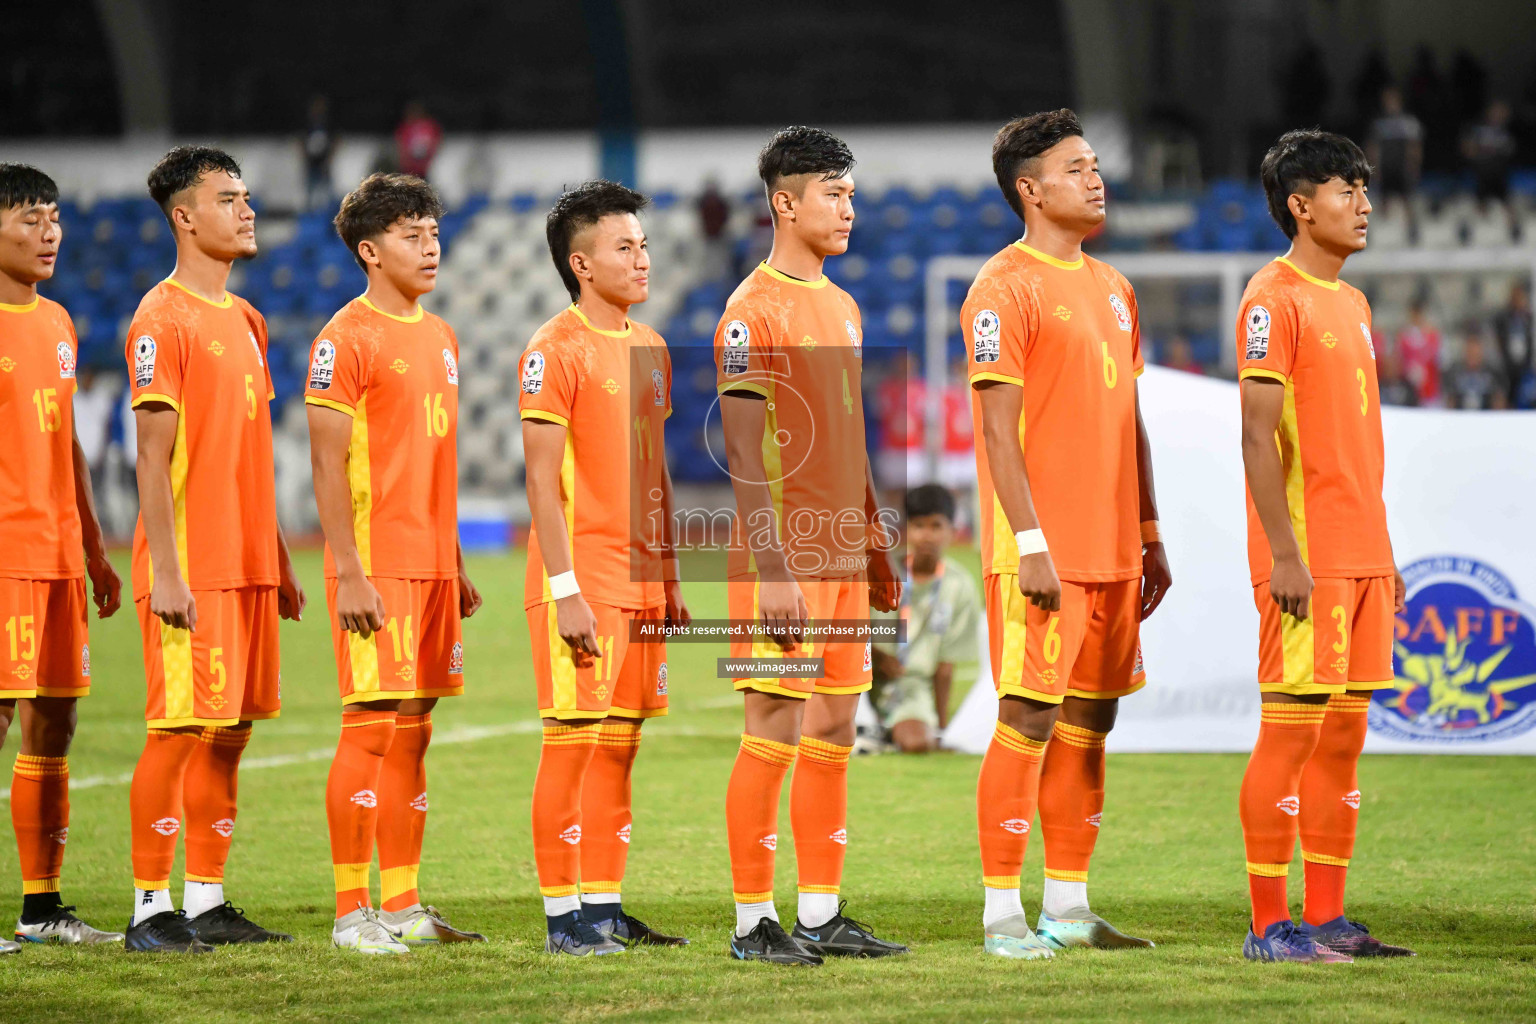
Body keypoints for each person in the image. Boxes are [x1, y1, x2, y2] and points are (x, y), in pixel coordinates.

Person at [964, 109, 1171, 961]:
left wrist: (1150, 529)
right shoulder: (1001, 289)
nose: (1095, 178)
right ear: (1031, 189)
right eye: (1076, 167)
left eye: (1096, 165)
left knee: (1092, 721)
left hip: (1115, 544)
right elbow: (996, 433)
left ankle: (1073, 907)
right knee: (1028, 716)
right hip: (1041, 548)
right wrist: (1031, 540)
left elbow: (1131, 419)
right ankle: (1000, 914)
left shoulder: (1116, 289)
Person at [715, 126, 907, 966]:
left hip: (841, 555)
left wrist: (873, 539)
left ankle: (820, 914)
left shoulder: (842, 304)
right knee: (772, 729)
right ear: (783, 203)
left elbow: (851, 440)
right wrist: (773, 572)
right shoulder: (748, 312)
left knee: (834, 728)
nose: (848, 208)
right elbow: (743, 457)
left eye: (852, 193)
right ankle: (751, 923)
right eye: (833, 193)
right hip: (783, 561)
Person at [1236, 128, 1415, 963]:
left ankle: (1329, 917)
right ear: (1302, 207)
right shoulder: (1273, 298)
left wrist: (1382, 552)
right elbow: (1257, 438)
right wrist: (1283, 554)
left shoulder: (1352, 301)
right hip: (1305, 556)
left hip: (1362, 550)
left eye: (1365, 188)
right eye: (1347, 189)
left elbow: (1354, 443)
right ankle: (1269, 926)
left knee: (1344, 736)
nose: (1365, 203)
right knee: (1292, 731)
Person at [123, 146, 305, 953]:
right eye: (228, 198)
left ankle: (205, 898)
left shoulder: (248, 319)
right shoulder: (161, 318)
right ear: (184, 216)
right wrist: (165, 570)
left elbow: (248, 448)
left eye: (246, 196)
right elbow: (152, 460)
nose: (247, 209)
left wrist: (278, 556)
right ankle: (147, 910)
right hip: (190, 567)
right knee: (176, 729)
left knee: (229, 732)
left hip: (248, 564)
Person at [305, 173, 486, 954]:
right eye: (413, 235)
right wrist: (347, 568)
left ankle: (406, 903)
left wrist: (453, 560)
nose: (431, 245)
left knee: (413, 732)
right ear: (371, 251)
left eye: (434, 232)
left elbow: (431, 461)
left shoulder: (441, 335)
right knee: (371, 726)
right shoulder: (343, 338)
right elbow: (324, 463)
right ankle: (352, 914)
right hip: (376, 564)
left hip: (432, 564)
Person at [520, 180, 690, 957]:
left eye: (644, 244)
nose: (642, 257)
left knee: (621, 744)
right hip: (583, 580)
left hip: (641, 580)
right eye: (625, 247)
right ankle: (564, 922)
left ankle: (604, 907)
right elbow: (541, 481)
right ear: (582, 264)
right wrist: (565, 592)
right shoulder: (553, 349)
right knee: (573, 741)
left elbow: (653, 472)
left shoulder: (650, 348)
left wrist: (671, 578)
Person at [0, 164, 123, 950]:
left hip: (56, 552)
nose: (50, 234)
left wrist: (94, 542)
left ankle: (41, 909)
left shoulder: (59, 323)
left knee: (55, 722)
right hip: (4, 553)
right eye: (30, 220)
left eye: (53, 219)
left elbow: (65, 441)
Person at [869, 485, 979, 753]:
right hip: (862, 672)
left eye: (936, 526)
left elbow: (945, 666)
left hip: (910, 686)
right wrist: (876, 655)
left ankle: (880, 734)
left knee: (918, 741)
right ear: (906, 530)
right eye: (918, 525)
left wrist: (941, 730)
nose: (927, 536)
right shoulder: (882, 572)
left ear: (953, 532)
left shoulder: (960, 586)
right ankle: (869, 729)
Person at [1366, 87, 1422, 216]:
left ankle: (1410, 230)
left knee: (1406, 199)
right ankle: (1385, 227)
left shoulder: (1408, 121)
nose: (1389, 103)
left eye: (1392, 100)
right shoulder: (1379, 123)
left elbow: (1414, 146)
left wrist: (1415, 166)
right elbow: (1372, 147)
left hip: (1403, 168)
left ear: (1399, 101)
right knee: (1384, 200)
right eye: (1386, 100)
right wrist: (1374, 169)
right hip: (1385, 168)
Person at [1491, 283, 1533, 408]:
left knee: (1523, 394)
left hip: (1524, 364)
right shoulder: (1503, 318)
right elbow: (1498, 338)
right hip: (1507, 365)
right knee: (1507, 394)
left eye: (1521, 297)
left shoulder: (1528, 317)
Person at [1443, 328, 1506, 410]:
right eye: (1470, 352)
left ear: (1481, 352)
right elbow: (1450, 401)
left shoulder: (1492, 373)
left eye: (1475, 353)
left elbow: (1499, 401)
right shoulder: (1455, 373)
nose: (1472, 355)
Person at [1395, 298, 1442, 406]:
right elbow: (1398, 362)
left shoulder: (1433, 336)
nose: (1416, 317)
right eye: (1414, 314)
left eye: (1418, 314)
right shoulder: (1403, 337)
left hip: (1430, 391)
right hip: (1409, 391)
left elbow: (1439, 362)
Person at [300, 95, 336, 211]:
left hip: (324, 162)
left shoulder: (327, 123)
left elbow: (336, 139)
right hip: (311, 162)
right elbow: (300, 139)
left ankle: (329, 212)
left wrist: (329, 158)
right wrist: (304, 156)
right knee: (310, 190)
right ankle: (309, 212)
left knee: (327, 190)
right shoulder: (309, 123)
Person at [394, 102, 442, 182]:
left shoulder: (429, 126)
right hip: (408, 169)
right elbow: (400, 145)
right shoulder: (405, 127)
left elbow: (435, 143)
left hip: (424, 169)